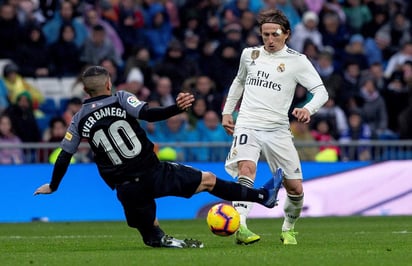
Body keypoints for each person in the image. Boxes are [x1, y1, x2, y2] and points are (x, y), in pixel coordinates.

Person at [33, 65, 282, 249]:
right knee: (208, 180)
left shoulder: (78, 119)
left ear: (86, 91)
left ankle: (161, 237)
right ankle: (262, 196)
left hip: (126, 187)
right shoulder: (120, 98)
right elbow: (149, 114)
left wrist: (53, 186)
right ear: (108, 84)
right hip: (153, 173)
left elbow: (64, 156)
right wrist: (176, 108)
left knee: (149, 234)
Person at [221, 9, 329, 245]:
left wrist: (307, 109)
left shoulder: (298, 61)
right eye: (265, 34)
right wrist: (227, 112)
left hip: (278, 130)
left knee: (295, 188)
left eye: (275, 34)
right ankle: (241, 227)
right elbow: (238, 82)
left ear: (286, 34)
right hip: (248, 123)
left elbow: (321, 92)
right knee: (246, 169)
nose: (269, 40)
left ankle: (288, 228)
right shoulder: (249, 55)